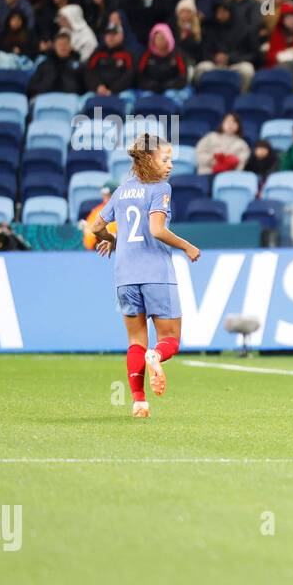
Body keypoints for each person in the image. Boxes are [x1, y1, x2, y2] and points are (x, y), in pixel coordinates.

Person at [87, 133, 201, 419]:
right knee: (170, 339)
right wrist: (187, 246)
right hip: (156, 273)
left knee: (136, 340)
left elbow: (97, 227)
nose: (170, 165)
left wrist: (113, 241)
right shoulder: (161, 188)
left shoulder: (122, 190)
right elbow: (157, 229)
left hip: (125, 275)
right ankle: (156, 356)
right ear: (149, 159)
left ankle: (139, 402)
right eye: (165, 158)